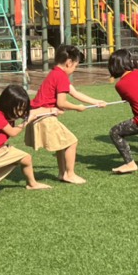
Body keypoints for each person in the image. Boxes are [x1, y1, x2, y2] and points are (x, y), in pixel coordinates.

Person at [26, 45, 107, 183]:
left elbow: (75, 92)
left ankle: (62, 173)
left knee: (62, 144)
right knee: (71, 142)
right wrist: (77, 108)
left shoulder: (55, 73)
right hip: (43, 116)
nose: (75, 69)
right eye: (75, 66)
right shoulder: (61, 76)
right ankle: (70, 174)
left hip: (41, 115)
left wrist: (96, 102)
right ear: (69, 63)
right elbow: (62, 103)